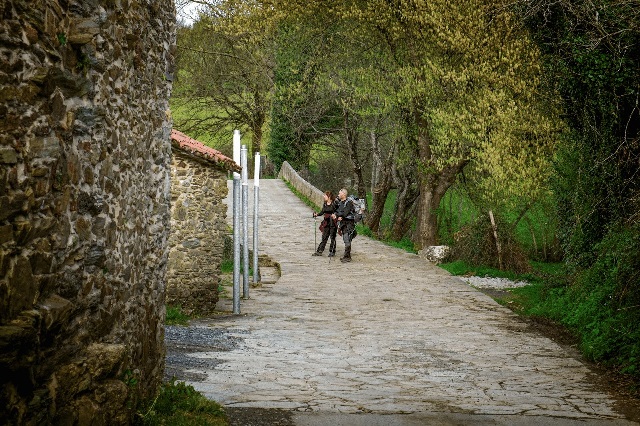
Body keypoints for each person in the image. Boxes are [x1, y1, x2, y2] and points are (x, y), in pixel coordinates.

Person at [332, 188, 357, 263]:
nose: (338, 195)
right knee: (346, 239)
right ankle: (347, 256)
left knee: (347, 239)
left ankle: (347, 257)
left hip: (349, 223)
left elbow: (345, 213)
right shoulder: (340, 203)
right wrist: (336, 214)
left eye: (340, 193)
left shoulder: (348, 203)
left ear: (344, 194)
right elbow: (338, 211)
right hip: (343, 223)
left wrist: (337, 215)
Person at [312, 191, 338, 257]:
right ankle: (319, 251)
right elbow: (322, 212)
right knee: (324, 237)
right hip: (326, 222)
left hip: (333, 222)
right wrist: (317, 214)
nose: (323, 196)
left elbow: (338, 212)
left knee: (332, 237)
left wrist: (335, 216)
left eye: (325, 195)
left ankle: (332, 252)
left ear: (329, 197)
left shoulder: (334, 203)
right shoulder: (325, 203)